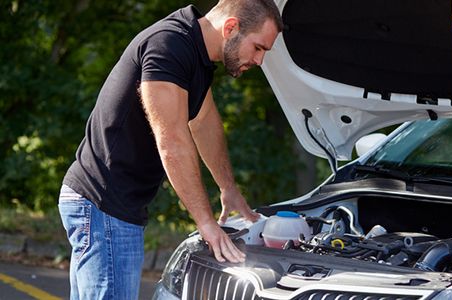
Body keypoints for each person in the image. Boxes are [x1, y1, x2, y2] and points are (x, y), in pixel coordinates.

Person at [57, 0, 283, 298]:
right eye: (258, 48)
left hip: (111, 206)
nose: (259, 61)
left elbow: (204, 122)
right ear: (231, 28)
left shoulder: (197, 55)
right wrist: (205, 223)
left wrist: (227, 188)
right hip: (103, 204)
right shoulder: (169, 46)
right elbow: (172, 140)